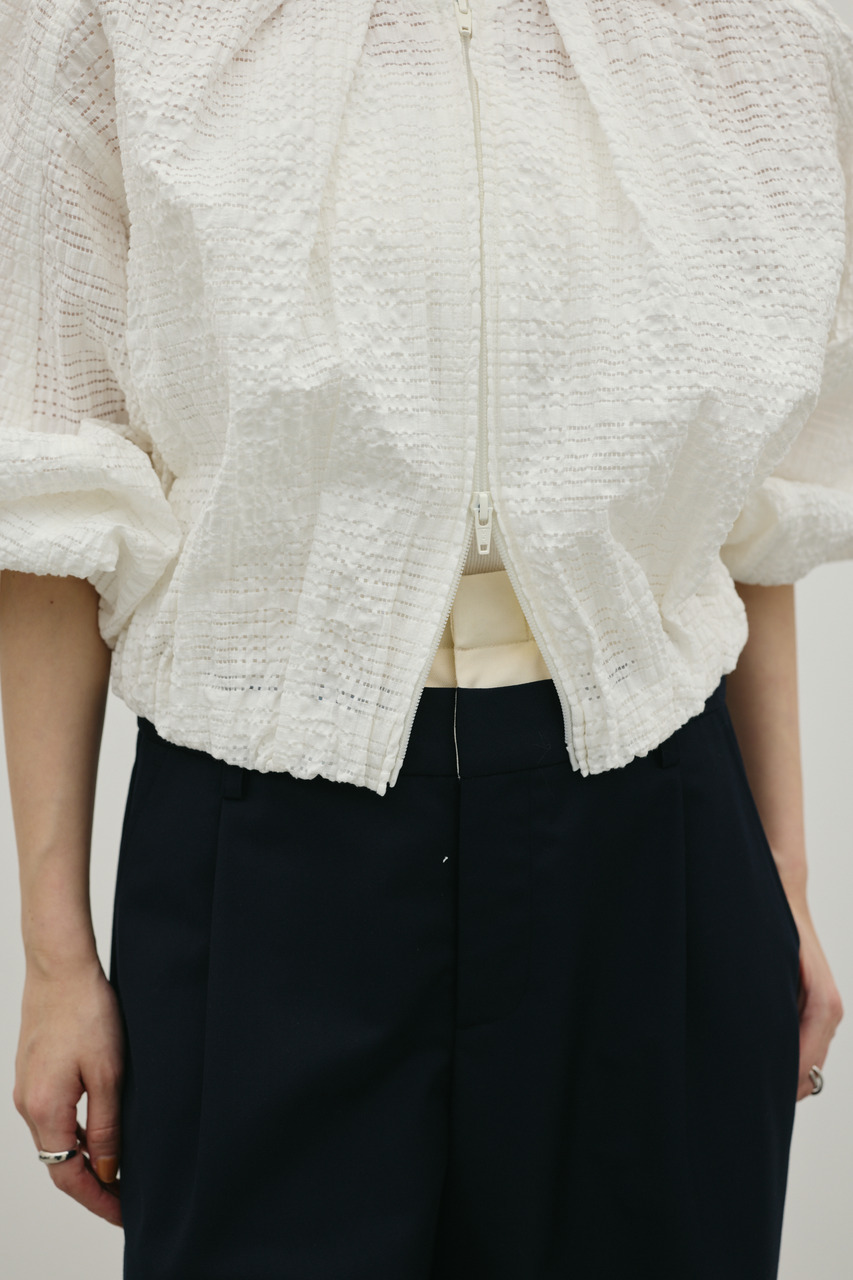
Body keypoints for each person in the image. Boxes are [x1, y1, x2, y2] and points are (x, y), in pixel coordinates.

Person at [0, 0, 850, 1276]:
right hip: (266, 851)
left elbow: (746, 509)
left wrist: (784, 879)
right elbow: (47, 472)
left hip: (653, 839)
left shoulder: (748, 28)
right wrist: (55, 951)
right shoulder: (127, 20)